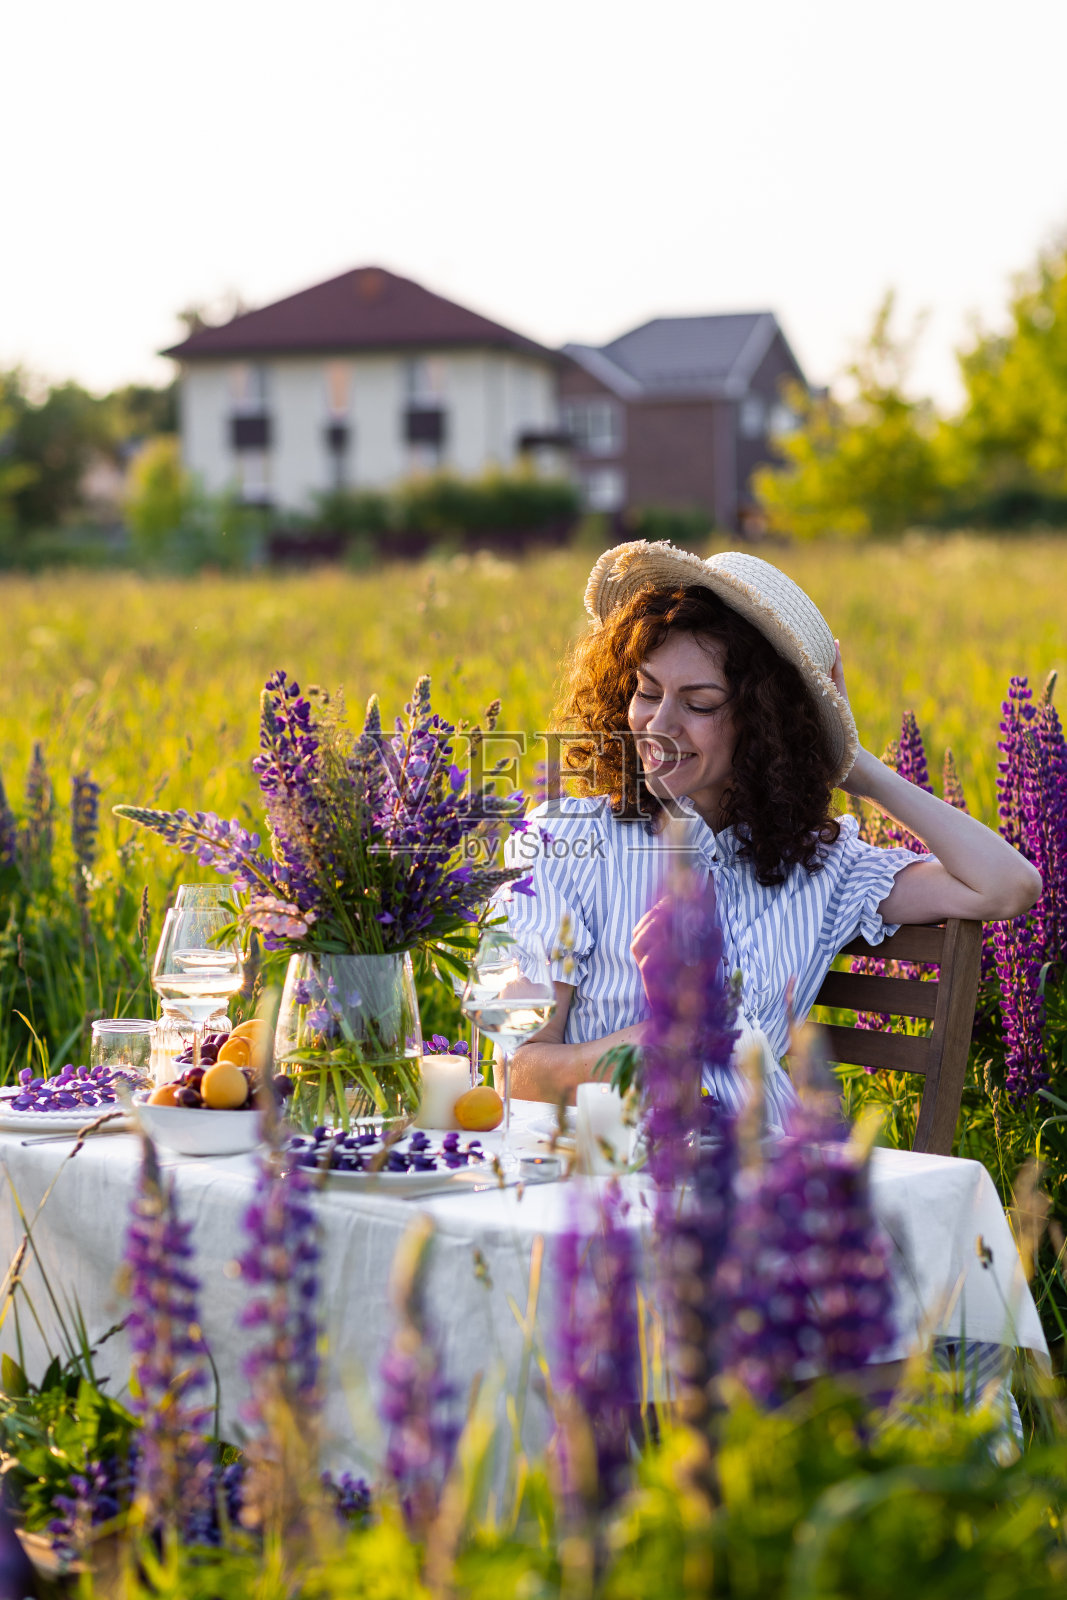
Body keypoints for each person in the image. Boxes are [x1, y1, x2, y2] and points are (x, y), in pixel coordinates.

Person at [504, 540, 1041, 1116]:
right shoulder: (565, 844)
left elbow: (1007, 886)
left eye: (699, 704)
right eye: (648, 691)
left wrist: (857, 766)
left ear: (763, 722)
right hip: (610, 1158)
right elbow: (519, 1070)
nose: (659, 725)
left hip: (768, 1158)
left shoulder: (821, 866)